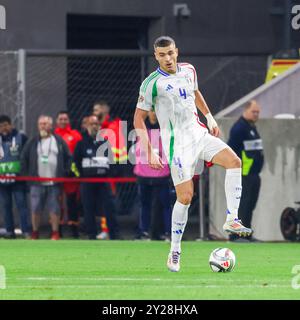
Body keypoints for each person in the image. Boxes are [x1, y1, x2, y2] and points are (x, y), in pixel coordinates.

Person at [133, 36, 251, 273]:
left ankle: (231, 218)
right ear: (156, 56)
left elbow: (195, 92)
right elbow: (138, 119)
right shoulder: (151, 83)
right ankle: (175, 250)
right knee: (185, 197)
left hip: (199, 135)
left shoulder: (189, 70)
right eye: (162, 55)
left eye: (170, 53)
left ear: (176, 51)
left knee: (234, 162)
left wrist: (209, 117)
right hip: (177, 146)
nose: (167, 58)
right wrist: (150, 151)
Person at [21, 115, 71, 240]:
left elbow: (68, 157)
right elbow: (23, 158)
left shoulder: (58, 140)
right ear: (38, 126)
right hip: (36, 183)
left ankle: (55, 232)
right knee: (35, 208)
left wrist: (65, 172)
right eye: (41, 124)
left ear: (51, 125)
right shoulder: (32, 141)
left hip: (54, 182)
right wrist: (27, 176)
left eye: (45, 123)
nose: (43, 126)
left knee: (55, 209)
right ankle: (35, 232)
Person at [73, 115, 120, 240]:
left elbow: (111, 162)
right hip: (87, 182)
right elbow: (75, 163)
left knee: (109, 207)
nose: (94, 126)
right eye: (91, 124)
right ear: (87, 126)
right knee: (88, 208)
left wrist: (110, 175)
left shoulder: (105, 144)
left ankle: (113, 234)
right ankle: (91, 234)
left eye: (96, 124)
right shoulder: (81, 144)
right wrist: (82, 176)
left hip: (103, 181)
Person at [228, 100, 264, 242]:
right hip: (244, 174)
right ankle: (236, 235)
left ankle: (246, 233)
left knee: (250, 204)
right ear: (246, 110)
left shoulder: (251, 127)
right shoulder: (239, 128)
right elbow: (231, 149)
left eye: (258, 112)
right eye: (254, 112)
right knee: (242, 204)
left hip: (254, 174)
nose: (256, 114)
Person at [134, 110, 172, 240]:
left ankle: (168, 232)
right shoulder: (140, 130)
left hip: (162, 174)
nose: (154, 114)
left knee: (165, 205)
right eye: (151, 111)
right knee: (144, 205)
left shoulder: (167, 130)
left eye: (156, 111)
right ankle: (143, 232)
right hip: (144, 174)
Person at [0, 115, 30, 238]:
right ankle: (9, 231)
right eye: (1, 126)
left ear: (11, 125)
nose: (3, 128)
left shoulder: (21, 137)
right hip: (2, 180)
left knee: (21, 204)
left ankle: (26, 231)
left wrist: (24, 172)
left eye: (6, 124)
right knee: (5, 206)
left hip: (18, 179)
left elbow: (27, 155)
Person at [54, 111, 82, 238]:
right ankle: (57, 231)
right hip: (56, 174)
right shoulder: (52, 136)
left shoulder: (75, 135)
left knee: (72, 203)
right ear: (57, 121)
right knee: (57, 203)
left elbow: (79, 154)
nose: (63, 121)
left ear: (68, 120)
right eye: (61, 119)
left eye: (65, 119)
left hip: (72, 175)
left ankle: (74, 231)